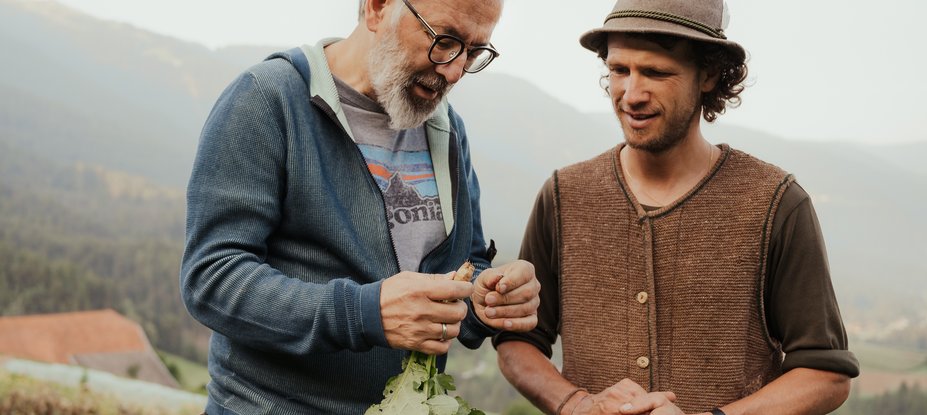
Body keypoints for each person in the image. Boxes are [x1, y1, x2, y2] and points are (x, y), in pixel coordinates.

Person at [493, 0, 859, 414]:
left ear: (709, 74)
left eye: (656, 72)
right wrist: (576, 405)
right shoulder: (564, 195)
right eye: (619, 70)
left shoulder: (776, 204)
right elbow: (517, 339)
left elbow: (827, 374)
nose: (631, 94)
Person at [179, 0, 539, 413]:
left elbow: (466, 264)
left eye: (474, 53)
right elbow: (212, 279)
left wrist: (488, 296)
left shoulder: (447, 128)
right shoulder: (267, 99)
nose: (455, 71)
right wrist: (365, 313)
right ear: (377, 8)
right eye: (444, 40)